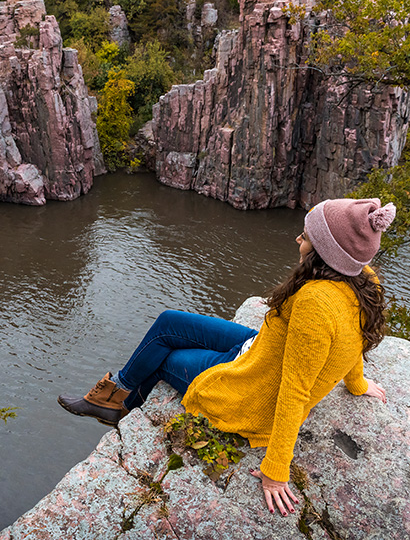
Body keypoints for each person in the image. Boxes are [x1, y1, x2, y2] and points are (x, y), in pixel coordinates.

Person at [58, 197, 395, 516]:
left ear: (323, 253)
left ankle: (121, 406)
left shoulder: (315, 303)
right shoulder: (365, 278)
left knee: (163, 357)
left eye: (305, 236)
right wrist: (357, 383)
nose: (297, 239)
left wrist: (276, 472)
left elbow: (295, 390)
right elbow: (358, 339)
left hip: (250, 384)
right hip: (259, 349)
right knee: (168, 322)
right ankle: (115, 391)